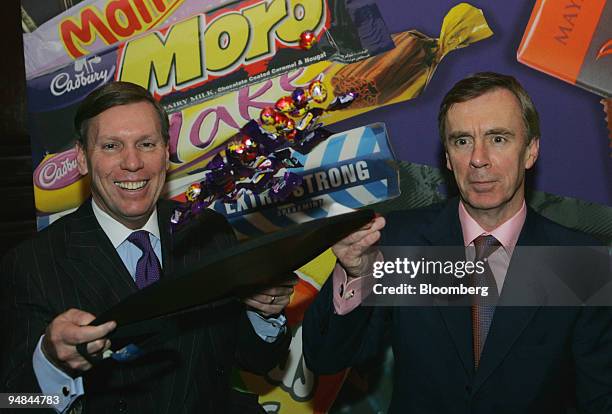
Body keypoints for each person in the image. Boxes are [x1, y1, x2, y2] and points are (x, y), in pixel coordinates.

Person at [303, 72, 612, 413]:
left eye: (498, 139)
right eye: (462, 141)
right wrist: (356, 273)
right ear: (448, 158)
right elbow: (327, 357)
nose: (478, 159)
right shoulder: (399, 241)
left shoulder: (579, 262)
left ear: (530, 151)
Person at [1, 82, 296, 413]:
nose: (132, 162)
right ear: (82, 159)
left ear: (166, 154)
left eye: (146, 144)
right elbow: (15, 404)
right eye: (112, 146)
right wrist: (52, 363)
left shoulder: (207, 231)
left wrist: (263, 311)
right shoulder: (31, 264)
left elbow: (256, 358)